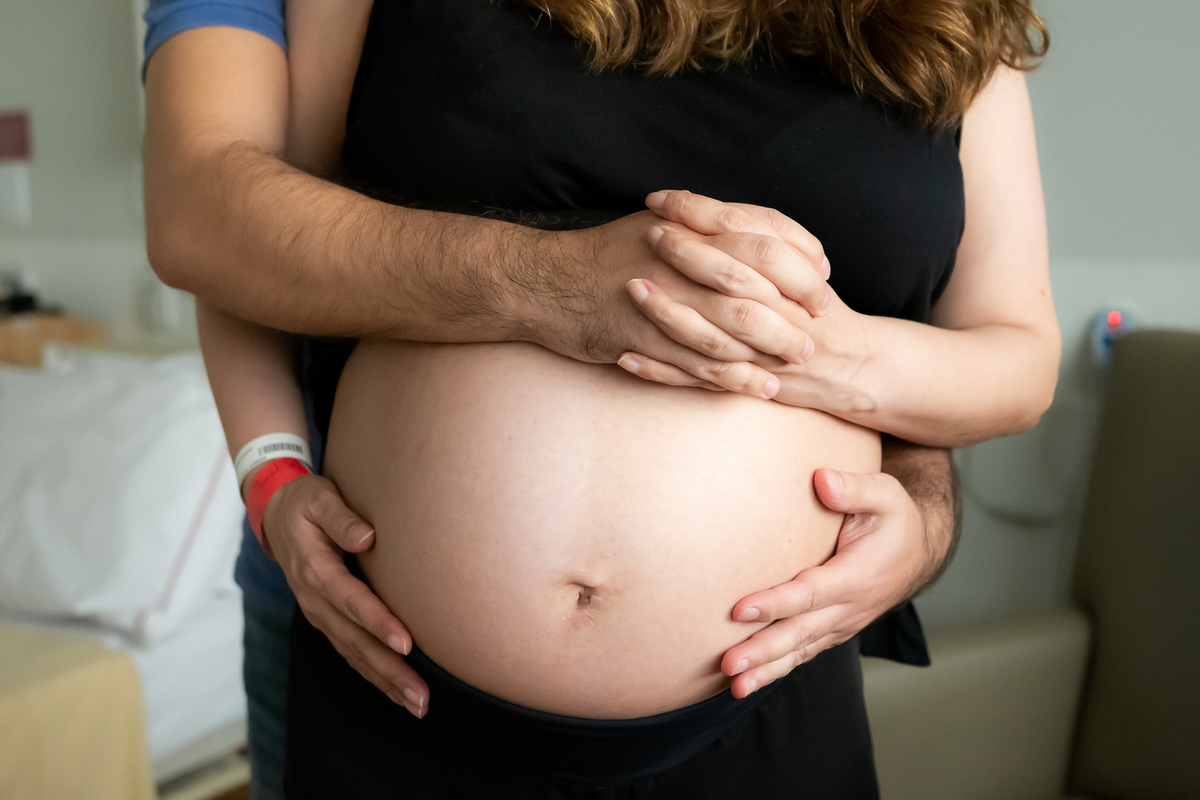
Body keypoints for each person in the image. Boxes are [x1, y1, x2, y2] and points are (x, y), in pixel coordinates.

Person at [141, 0, 1050, 797]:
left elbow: (1016, 358)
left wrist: (823, 363)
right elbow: (249, 232)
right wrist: (270, 467)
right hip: (394, 683)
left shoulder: (957, 20)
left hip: (764, 692)